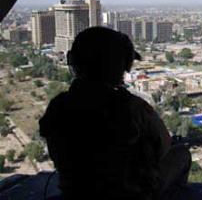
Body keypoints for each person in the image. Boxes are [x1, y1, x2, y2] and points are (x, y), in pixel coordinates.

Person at [39, 27, 191, 200]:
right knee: (182, 154)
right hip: (129, 195)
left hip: (75, 193)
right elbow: (163, 146)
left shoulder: (58, 105)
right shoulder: (132, 107)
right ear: (120, 66)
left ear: (72, 61)